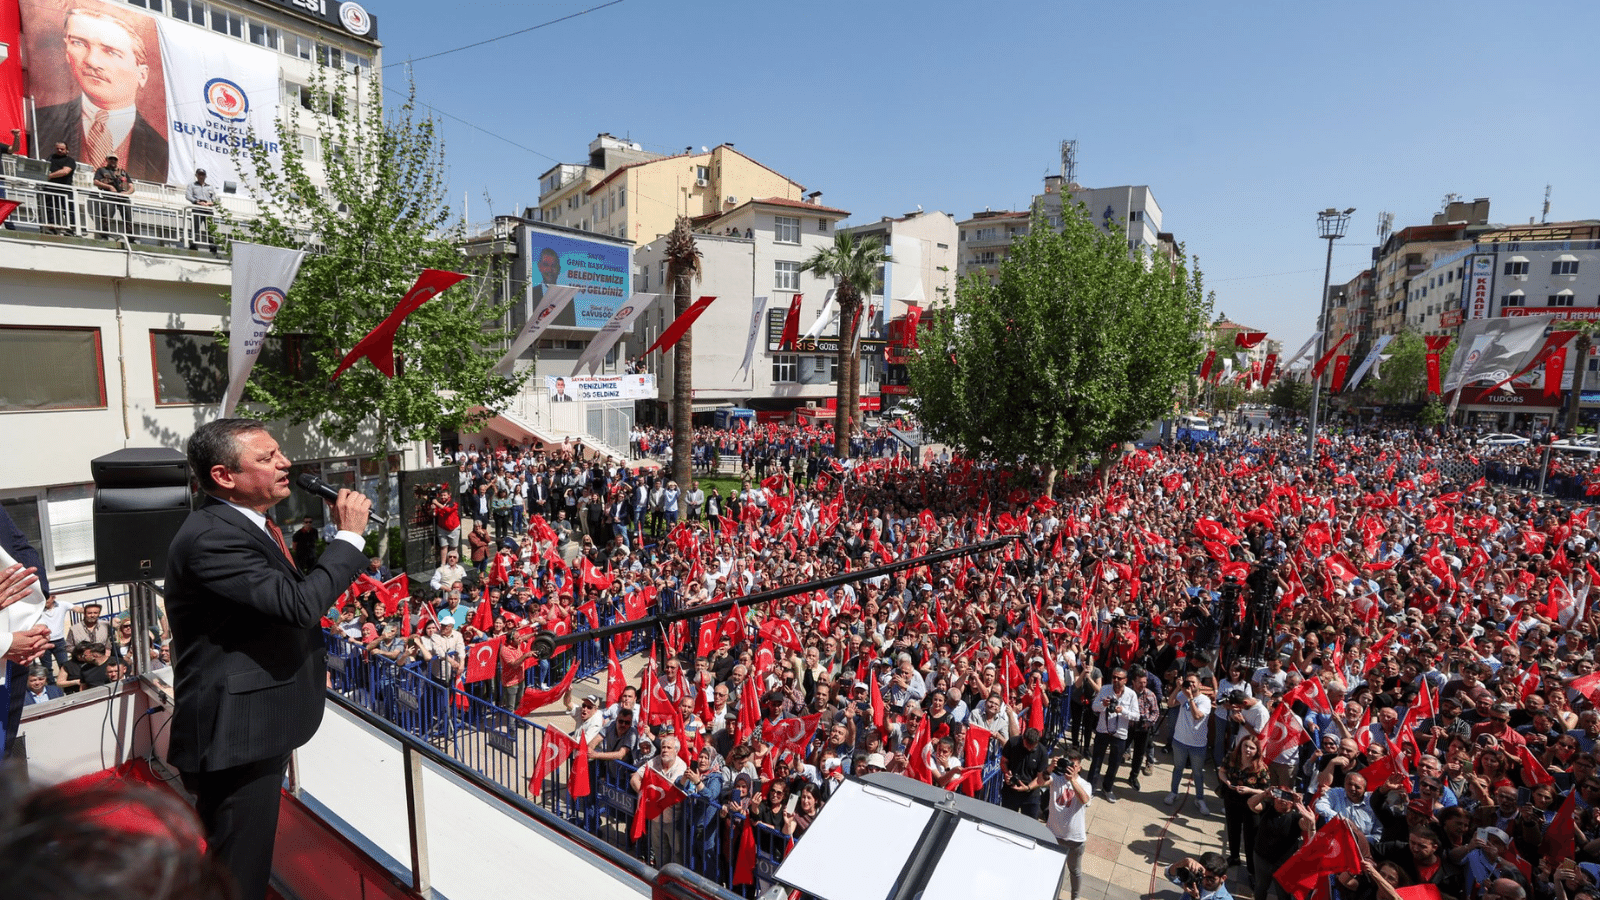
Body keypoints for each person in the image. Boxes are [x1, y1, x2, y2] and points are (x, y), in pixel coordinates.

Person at [164, 418, 371, 900]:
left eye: (279, 453)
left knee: (242, 859)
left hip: (257, 725)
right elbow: (300, 605)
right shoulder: (212, 537)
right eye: (266, 457)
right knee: (238, 870)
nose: (285, 464)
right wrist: (349, 539)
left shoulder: (243, 524)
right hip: (238, 734)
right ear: (223, 475)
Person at [34, 6, 169, 184]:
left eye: (111, 52)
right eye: (79, 43)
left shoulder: (162, 149)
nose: (92, 61)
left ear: (142, 74)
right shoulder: (40, 121)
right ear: (67, 52)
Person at [1087, 667, 1139, 802]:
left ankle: (1107, 788)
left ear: (1125, 680)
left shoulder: (1131, 694)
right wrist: (1103, 705)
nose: (1116, 680)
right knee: (1096, 762)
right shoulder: (1105, 689)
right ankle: (1090, 789)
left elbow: (1137, 716)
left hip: (1120, 734)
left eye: (1119, 678)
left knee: (1114, 763)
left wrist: (1123, 711)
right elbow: (1094, 707)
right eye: (1114, 677)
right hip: (1103, 730)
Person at [1046, 750, 1092, 900]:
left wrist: (1072, 781)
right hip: (1054, 834)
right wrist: (1049, 768)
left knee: (1075, 871)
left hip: (1075, 839)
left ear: (1079, 768)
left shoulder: (1085, 784)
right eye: (1069, 764)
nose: (1071, 768)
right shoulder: (1056, 778)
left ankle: (1075, 898)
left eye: (1075, 766)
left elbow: (1085, 800)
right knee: (1054, 869)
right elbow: (1041, 782)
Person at [1168, 671, 1213, 815]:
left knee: (1198, 773)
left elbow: (1198, 716)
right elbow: (1170, 704)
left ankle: (1199, 798)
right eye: (1188, 682)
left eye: (1193, 682)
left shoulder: (1204, 700)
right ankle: (1173, 792)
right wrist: (1177, 688)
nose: (1191, 684)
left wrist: (1190, 698)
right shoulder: (1183, 694)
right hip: (1179, 740)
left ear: (1200, 684)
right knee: (1178, 768)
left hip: (1197, 744)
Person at [91, 153, 133, 238]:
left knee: (128, 217)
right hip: (109, 195)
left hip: (122, 197)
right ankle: (105, 235)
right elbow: (96, 182)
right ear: (107, 160)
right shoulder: (101, 170)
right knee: (106, 216)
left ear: (117, 161)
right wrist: (109, 187)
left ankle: (130, 237)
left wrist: (126, 193)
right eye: (111, 159)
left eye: (115, 159)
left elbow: (132, 187)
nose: (113, 161)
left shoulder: (123, 172)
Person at [43, 141, 77, 234]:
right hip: (50, 188)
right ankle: (52, 227)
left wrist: (49, 176)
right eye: (57, 148)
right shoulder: (51, 158)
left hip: (64, 189)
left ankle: (70, 229)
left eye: (62, 149)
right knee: (51, 208)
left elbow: (65, 171)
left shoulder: (70, 160)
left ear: (67, 151)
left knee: (68, 209)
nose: (59, 150)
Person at [186, 168, 217, 250]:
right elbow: (188, 196)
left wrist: (211, 203)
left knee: (210, 228)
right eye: (199, 174)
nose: (201, 176)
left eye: (202, 175)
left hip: (208, 209)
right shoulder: (192, 185)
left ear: (205, 176)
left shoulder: (210, 187)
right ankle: (193, 245)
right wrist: (197, 202)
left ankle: (212, 246)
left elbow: (214, 198)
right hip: (197, 208)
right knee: (195, 227)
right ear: (196, 175)